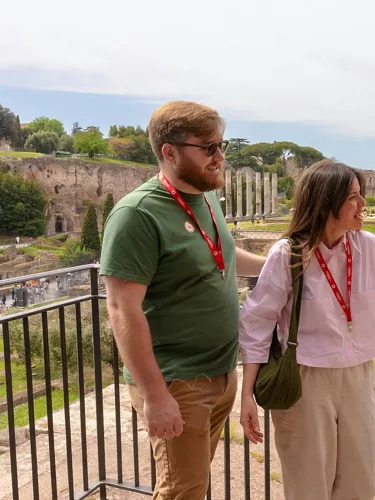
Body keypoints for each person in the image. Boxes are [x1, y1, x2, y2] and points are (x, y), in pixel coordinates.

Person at [238, 160, 375, 500]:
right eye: (353, 197)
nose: (363, 204)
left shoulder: (365, 246)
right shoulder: (288, 253)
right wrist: (247, 394)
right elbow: (256, 322)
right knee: (309, 483)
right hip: (305, 379)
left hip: (358, 375)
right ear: (325, 202)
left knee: (361, 481)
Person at [100, 101, 267, 499]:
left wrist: (283, 264)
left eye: (221, 146)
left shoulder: (205, 198)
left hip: (219, 375)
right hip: (177, 382)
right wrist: (157, 397)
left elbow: (224, 255)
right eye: (208, 148)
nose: (219, 157)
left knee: (191, 485)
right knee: (181, 491)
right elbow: (122, 310)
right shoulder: (137, 214)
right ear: (169, 151)